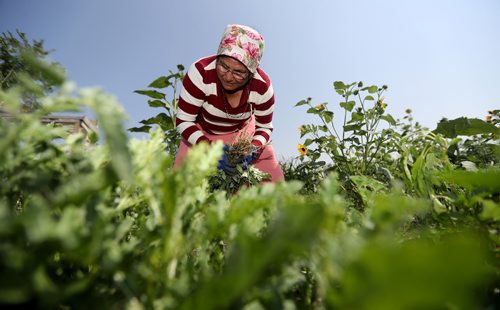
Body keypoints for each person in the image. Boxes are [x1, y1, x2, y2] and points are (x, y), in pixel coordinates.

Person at [174, 24, 284, 182]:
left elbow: (265, 128)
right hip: (202, 132)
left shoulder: (262, 88)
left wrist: (252, 147)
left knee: (271, 182)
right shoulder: (200, 73)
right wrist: (209, 148)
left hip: (244, 134)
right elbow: (184, 120)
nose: (228, 77)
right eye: (224, 66)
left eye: (239, 72)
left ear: (252, 72)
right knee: (185, 185)